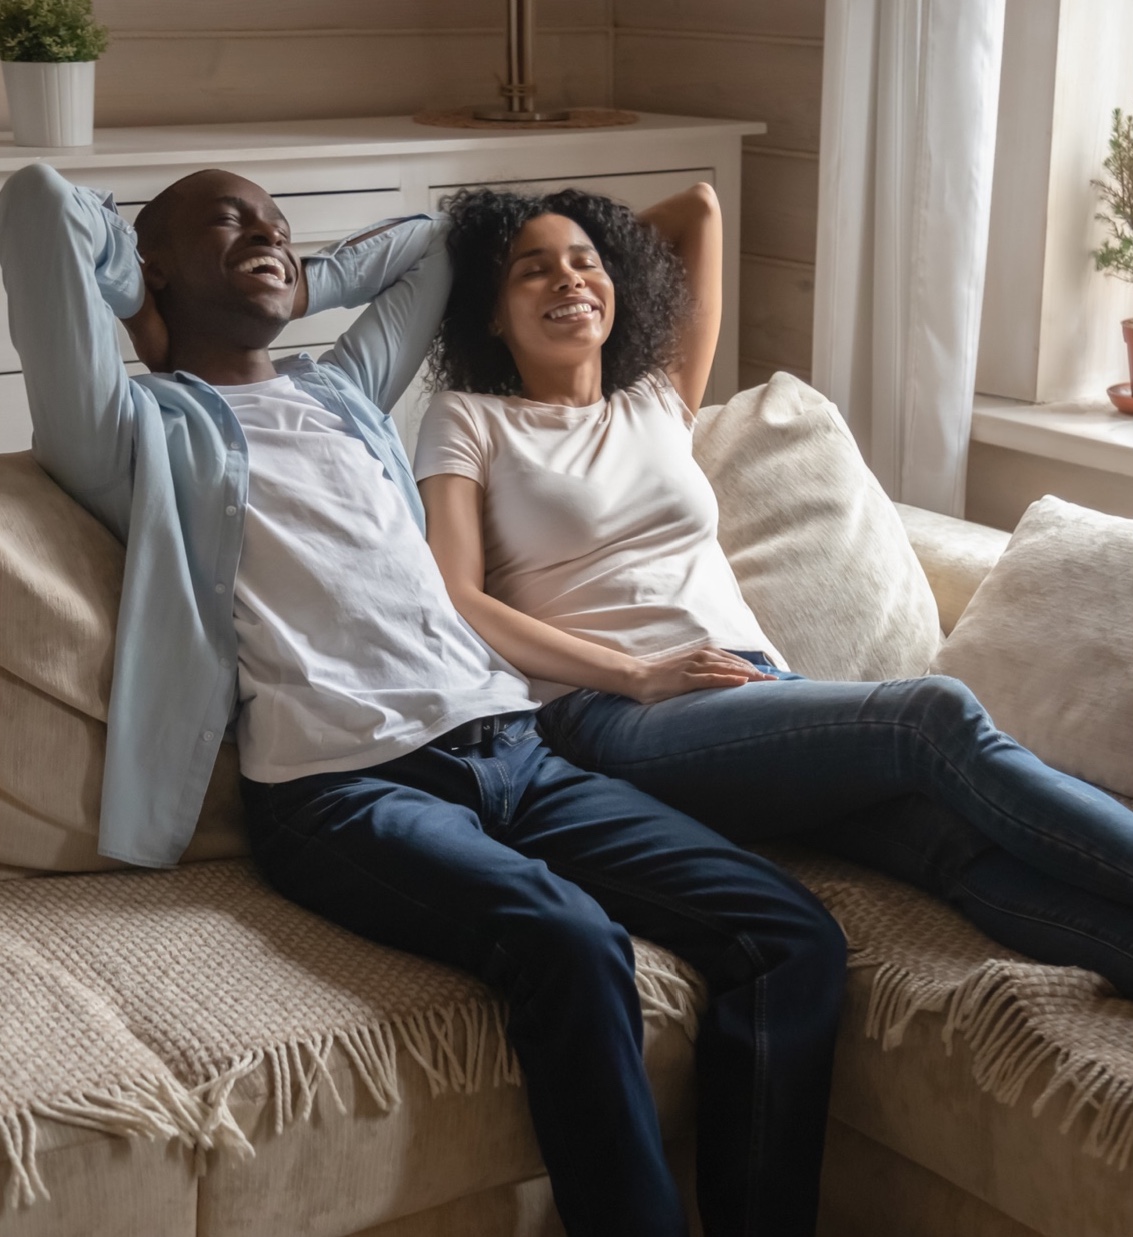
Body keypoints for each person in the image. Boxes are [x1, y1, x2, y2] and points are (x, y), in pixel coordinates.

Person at [0, 162, 847, 1237]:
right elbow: (35, 202)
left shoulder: (344, 389)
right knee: (572, 942)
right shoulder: (132, 428)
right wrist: (142, 300)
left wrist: (298, 280)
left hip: (514, 751)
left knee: (791, 938)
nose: (268, 233)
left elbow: (445, 244)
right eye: (231, 222)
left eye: (280, 222)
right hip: (342, 789)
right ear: (157, 262)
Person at [415, 180, 1133, 1000]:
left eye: (586, 265)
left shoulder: (654, 399)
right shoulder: (468, 419)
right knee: (931, 715)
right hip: (615, 715)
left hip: (756, 692)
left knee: (951, 849)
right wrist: (635, 673)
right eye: (531, 273)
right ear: (487, 312)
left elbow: (700, 209)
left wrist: (578, 257)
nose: (569, 280)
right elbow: (457, 594)